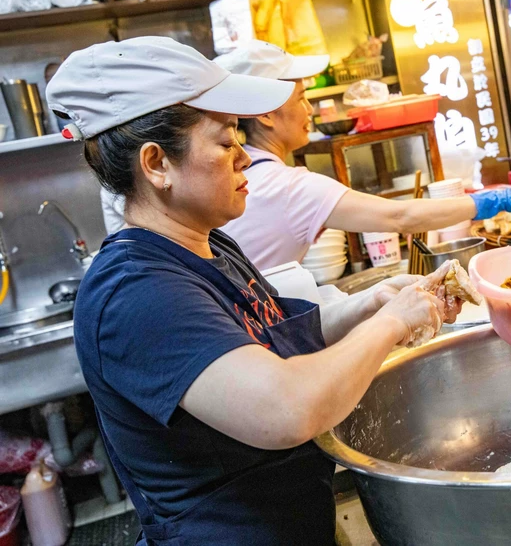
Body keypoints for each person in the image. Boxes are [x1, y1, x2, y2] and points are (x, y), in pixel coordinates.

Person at [47, 36, 466, 545]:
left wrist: (370, 304)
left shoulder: (210, 244)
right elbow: (286, 407)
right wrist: (391, 322)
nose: (245, 158)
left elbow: (269, 340)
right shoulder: (137, 293)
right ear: (157, 164)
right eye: (225, 143)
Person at [99, 41, 511, 269]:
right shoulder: (284, 186)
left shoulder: (206, 229)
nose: (309, 109)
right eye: (299, 97)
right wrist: (500, 200)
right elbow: (402, 214)